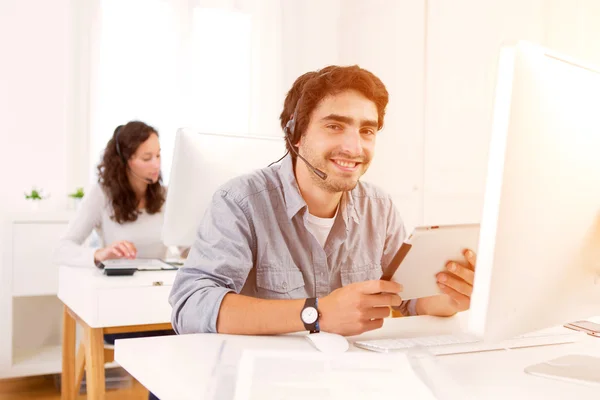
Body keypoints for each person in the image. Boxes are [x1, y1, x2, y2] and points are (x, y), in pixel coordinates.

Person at [169, 65, 477, 337]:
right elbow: (192, 306)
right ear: (296, 134)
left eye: (366, 130)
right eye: (335, 126)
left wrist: (450, 298)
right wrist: (317, 314)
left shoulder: (378, 207)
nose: (354, 147)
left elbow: (408, 298)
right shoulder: (240, 202)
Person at [54, 120, 176, 400]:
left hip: (161, 302)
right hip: (122, 307)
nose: (155, 164)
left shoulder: (166, 195)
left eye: (158, 155)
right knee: (168, 352)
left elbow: (184, 242)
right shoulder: (102, 195)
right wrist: (99, 254)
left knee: (188, 342)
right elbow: (61, 249)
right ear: (124, 160)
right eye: (147, 158)